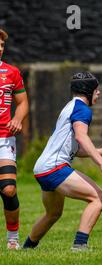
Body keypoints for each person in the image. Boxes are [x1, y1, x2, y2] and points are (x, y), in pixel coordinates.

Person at [22, 72, 102, 251]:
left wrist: (98, 152)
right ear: (88, 91)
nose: (98, 94)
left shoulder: (70, 106)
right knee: (99, 198)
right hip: (55, 168)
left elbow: (71, 146)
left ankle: (27, 248)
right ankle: (79, 246)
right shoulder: (82, 109)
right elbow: (81, 137)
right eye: (96, 91)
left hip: (42, 168)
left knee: (53, 213)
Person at [0, 29, 29, 250]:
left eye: (2, 45)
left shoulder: (12, 72)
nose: (0, 49)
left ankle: (13, 238)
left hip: (4, 139)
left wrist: (18, 119)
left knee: (9, 189)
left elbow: (22, 103)